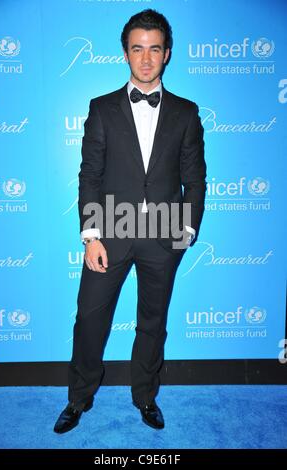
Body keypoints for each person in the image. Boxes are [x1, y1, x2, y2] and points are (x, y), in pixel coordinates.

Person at [54, 8, 206, 434]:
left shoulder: (186, 113)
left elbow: (195, 178)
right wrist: (90, 235)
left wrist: (186, 230)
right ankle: (79, 398)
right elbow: (89, 175)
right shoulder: (101, 108)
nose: (145, 58)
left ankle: (145, 397)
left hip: (163, 236)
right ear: (125, 53)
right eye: (137, 49)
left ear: (167, 54)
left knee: (152, 322)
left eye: (153, 49)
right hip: (111, 234)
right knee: (89, 319)